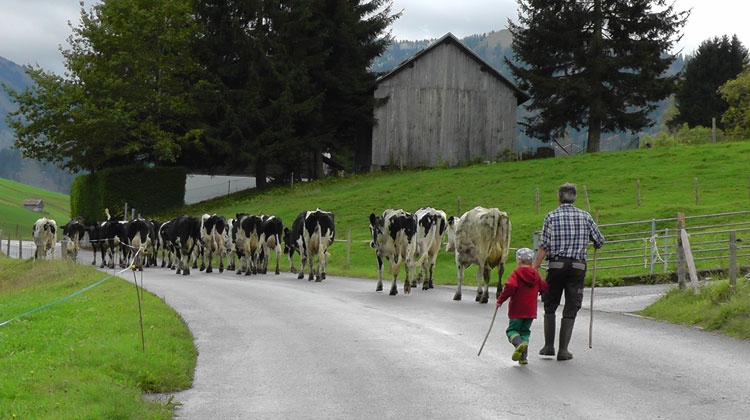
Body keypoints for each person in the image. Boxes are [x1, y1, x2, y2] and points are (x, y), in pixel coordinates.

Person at [532, 182, 604, 361]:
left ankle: (548, 347)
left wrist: (535, 267)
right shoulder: (585, 216)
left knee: (550, 303)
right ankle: (563, 350)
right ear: (575, 198)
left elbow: (544, 245)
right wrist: (593, 243)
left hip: (556, 265)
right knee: (572, 304)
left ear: (559, 198)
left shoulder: (551, 216)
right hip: (578, 267)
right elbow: (599, 241)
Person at [496, 247, 548, 365]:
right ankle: (523, 358)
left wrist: (500, 300)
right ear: (532, 262)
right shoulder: (535, 274)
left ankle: (518, 344)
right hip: (530, 311)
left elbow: (510, 286)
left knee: (512, 330)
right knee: (525, 332)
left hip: (517, 310)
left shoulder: (516, 274)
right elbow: (543, 286)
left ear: (518, 260)